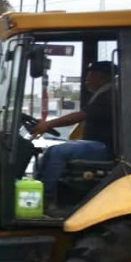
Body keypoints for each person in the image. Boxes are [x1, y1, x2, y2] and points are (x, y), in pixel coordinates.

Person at [31, 61, 116, 206]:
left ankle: (44, 199)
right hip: (97, 144)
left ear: (103, 77)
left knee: (58, 152)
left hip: (105, 147)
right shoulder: (103, 94)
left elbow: (80, 116)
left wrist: (49, 124)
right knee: (51, 150)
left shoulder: (109, 95)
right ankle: (34, 193)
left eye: (91, 76)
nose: (87, 80)